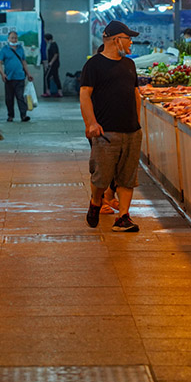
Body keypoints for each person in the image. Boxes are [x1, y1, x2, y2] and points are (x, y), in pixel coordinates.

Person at [80, 20, 142, 233]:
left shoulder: (129, 65)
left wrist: (138, 123)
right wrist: (91, 123)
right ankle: (96, 200)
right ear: (117, 40)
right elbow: (85, 95)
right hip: (106, 132)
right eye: (128, 38)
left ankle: (123, 217)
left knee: (128, 177)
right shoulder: (94, 65)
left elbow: (136, 95)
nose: (131, 42)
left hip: (131, 131)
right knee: (101, 177)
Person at [0, 31, 33, 122]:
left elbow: (24, 62)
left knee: (20, 97)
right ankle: (10, 115)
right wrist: (2, 74)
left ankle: (23, 115)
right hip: (9, 78)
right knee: (9, 98)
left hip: (20, 77)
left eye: (15, 38)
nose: (14, 39)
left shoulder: (20, 49)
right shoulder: (4, 49)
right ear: (8, 39)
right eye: (12, 38)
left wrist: (28, 74)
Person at [42, 33, 62, 98]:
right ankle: (59, 92)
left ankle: (48, 92)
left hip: (53, 64)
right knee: (55, 77)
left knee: (46, 77)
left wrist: (50, 63)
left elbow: (55, 54)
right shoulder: (52, 44)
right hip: (55, 64)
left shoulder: (53, 45)